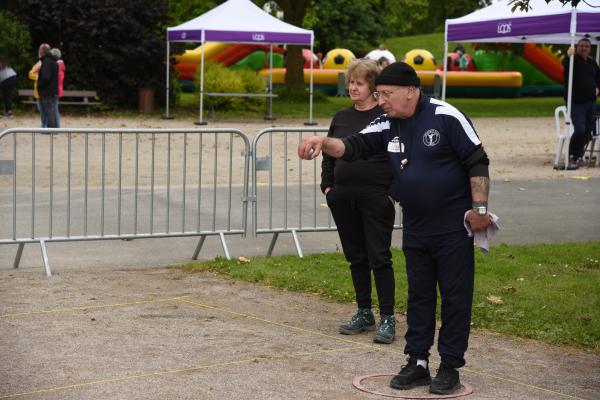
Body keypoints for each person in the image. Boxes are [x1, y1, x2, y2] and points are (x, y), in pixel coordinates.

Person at [299, 61, 492, 395]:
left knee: (455, 298)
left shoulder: (446, 116)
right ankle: (417, 361)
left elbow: (477, 159)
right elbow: (352, 146)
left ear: (411, 91)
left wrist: (480, 209)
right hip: (416, 226)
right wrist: (321, 140)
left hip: (451, 227)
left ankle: (450, 367)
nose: (382, 100)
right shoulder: (387, 122)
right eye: (380, 95)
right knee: (418, 296)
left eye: (387, 94)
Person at [321, 59, 397, 344]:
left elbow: (399, 156)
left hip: (377, 197)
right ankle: (364, 311)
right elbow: (329, 152)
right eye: (351, 82)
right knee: (356, 257)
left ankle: (388, 316)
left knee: (379, 257)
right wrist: (328, 187)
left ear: (373, 87)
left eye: (359, 83)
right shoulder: (341, 117)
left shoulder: (386, 117)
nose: (353, 87)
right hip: (343, 197)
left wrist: (391, 194)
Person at [563, 38, 600, 169]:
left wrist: (598, 88)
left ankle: (577, 156)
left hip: (590, 102)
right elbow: (566, 66)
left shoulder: (592, 63)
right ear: (577, 47)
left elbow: (598, 78)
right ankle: (572, 154)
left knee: (588, 133)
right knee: (579, 130)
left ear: (590, 49)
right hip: (575, 102)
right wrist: (569, 56)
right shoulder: (572, 60)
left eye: (586, 46)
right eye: (581, 46)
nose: (584, 48)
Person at [36, 43, 59, 128]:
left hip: (47, 91)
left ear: (42, 51)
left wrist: (39, 84)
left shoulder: (46, 61)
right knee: (52, 111)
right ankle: (55, 128)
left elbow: (45, 77)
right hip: (52, 90)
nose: (39, 52)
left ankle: (50, 129)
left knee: (49, 111)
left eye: (39, 50)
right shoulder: (53, 60)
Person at [50, 48, 65, 127]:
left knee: (55, 109)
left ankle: (57, 127)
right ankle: (57, 126)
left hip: (55, 90)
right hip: (58, 89)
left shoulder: (56, 65)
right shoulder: (61, 66)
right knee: (55, 108)